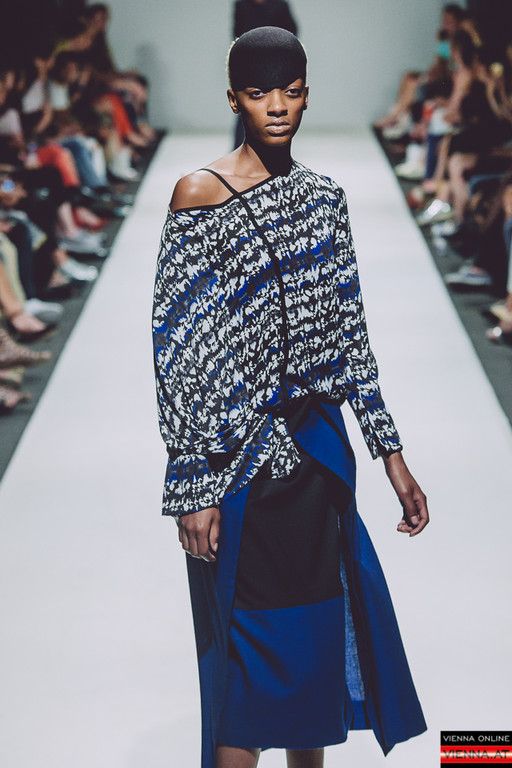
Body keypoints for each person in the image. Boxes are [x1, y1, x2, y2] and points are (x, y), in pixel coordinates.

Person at [152, 26, 429, 768]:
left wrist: (391, 453)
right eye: (258, 92)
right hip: (239, 466)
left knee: (311, 656)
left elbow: (350, 334)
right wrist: (192, 485)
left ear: (308, 95)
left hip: (315, 461)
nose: (276, 106)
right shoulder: (198, 195)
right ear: (234, 100)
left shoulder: (323, 200)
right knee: (243, 671)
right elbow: (180, 350)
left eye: (291, 90)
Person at [232, 0, 298, 148]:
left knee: (275, 106)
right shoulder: (242, 5)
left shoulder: (279, 5)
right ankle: (240, 148)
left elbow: (292, 33)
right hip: (249, 65)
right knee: (246, 106)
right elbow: (237, 35)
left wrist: (281, 59)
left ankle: (273, 147)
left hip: (275, 65)